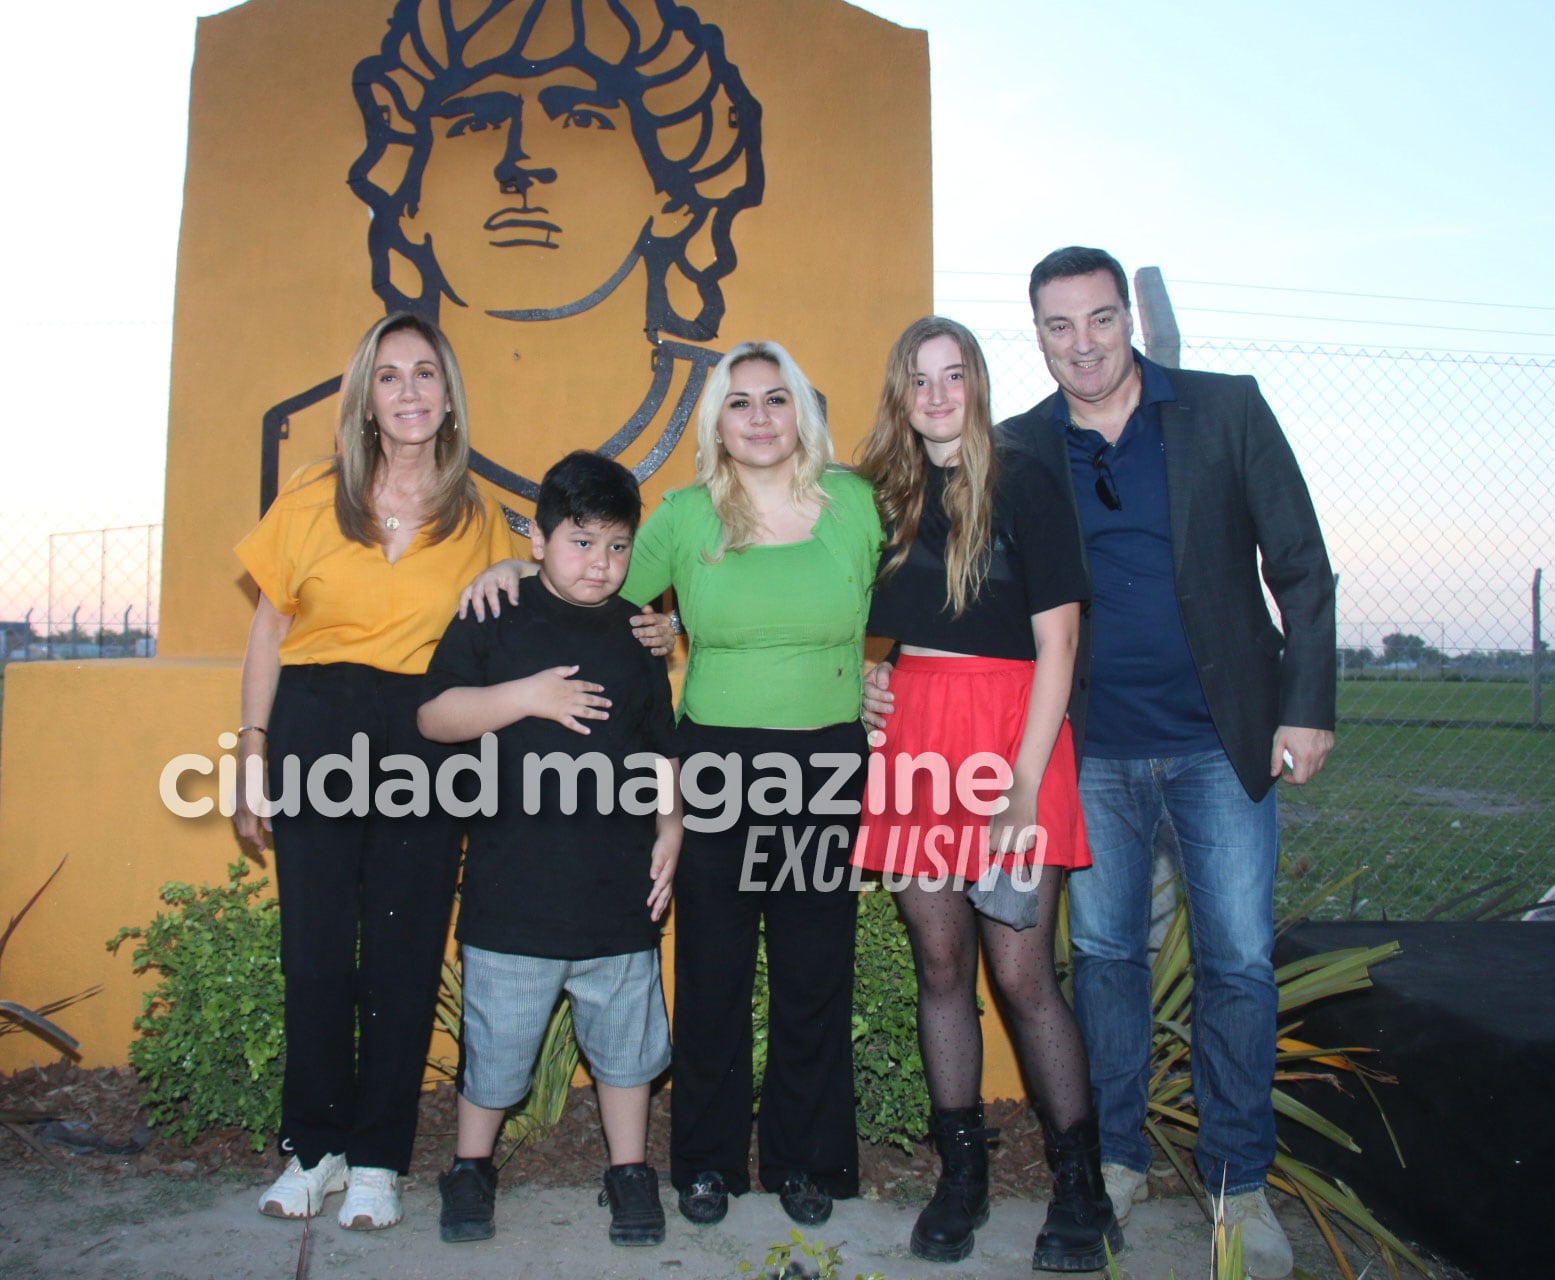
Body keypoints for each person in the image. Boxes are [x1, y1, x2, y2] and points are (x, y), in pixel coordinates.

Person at [868, 249, 1336, 1280]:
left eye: (1096, 319)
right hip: (1088, 742)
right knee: (1106, 961)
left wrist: (1305, 707)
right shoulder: (1012, 450)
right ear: (1035, 336)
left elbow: (1298, 562)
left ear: (1126, 317)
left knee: (1235, 963)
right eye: (1056, 326)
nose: (1079, 342)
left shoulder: (1220, 412)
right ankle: (1111, 1163)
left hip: (1212, 734)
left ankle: (1235, 1185)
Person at [234, 314, 528, 1230]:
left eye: (425, 376)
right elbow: (270, 630)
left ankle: (375, 1161)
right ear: (367, 398)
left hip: (426, 743)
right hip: (316, 728)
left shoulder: (479, 517)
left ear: (448, 398)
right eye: (390, 376)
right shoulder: (311, 498)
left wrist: (647, 624)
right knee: (316, 954)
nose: (408, 393)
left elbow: (541, 602)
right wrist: (251, 748)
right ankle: (312, 1149)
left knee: (402, 956)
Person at [258, 0, 767, 519]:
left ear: (673, 196)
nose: (519, 163)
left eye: (581, 118)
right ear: (408, 200)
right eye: (473, 124)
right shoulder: (311, 442)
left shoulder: (760, 426)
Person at [852, 317, 1120, 1272]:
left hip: (1013, 740)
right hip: (918, 744)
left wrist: (1018, 787)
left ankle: (1079, 1185)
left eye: (951, 373)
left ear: (975, 382)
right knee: (938, 965)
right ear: (899, 392)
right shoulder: (882, 497)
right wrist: (867, 680)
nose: (935, 393)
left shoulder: (1025, 478)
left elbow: (1059, 645)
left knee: (1019, 975)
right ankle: (959, 1173)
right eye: (917, 378)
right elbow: (853, 623)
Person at [623, 341, 882, 1228]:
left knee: (812, 972)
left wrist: (892, 683)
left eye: (777, 399)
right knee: (713, 971)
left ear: (802, 414)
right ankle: (705, 1166)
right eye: (740, 402)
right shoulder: (686, 514)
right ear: (716, 422)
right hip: (716, 768)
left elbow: (922, 607)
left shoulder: (851, 503)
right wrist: (517, 571)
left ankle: (806, 1163)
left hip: (823, 765)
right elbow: (593, 590)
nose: (761, 417)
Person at [418, 451, 681, 1249]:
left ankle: (628, 1170)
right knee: (496, 1040)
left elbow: (658, 746)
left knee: (625, 1046)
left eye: (615, 546)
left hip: (615, 889)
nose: (599, 564)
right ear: (536, 537)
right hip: (514, 887)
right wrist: (524, 697)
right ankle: (471, 1165)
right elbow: (434, 717)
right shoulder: (493, 612)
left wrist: (671, 826)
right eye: (580, 542)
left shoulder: (638, 632)